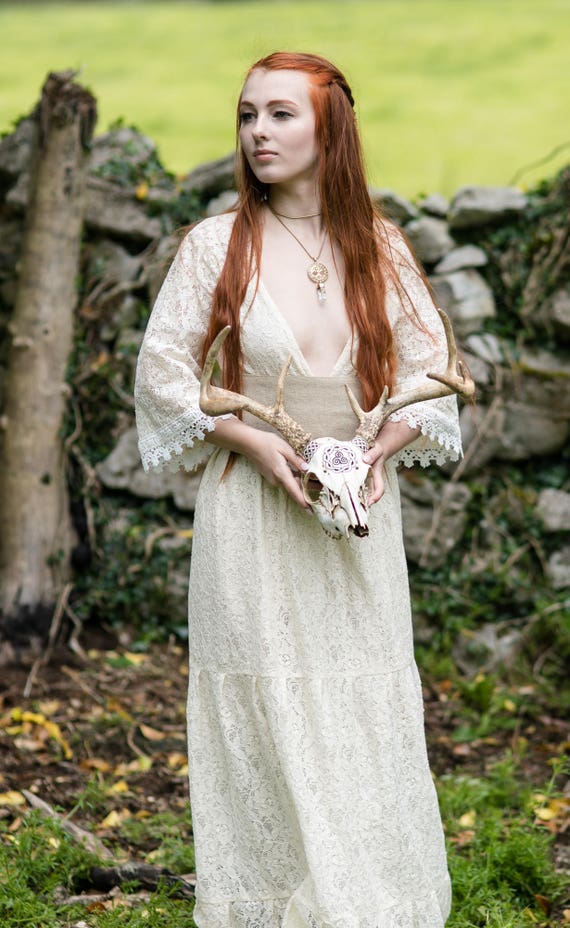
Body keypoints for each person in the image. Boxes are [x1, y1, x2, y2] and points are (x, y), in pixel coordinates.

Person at [135, 51, 462, 928]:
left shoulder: (378, 246)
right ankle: (269, 909)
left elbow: (433, 368)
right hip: (251, 508)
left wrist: (381, 450)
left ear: (330, 128)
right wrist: (254, 438)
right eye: (247, 115)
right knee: (266, 709)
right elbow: (164, 374)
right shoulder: (218, 245)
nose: (257, 133)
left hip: (353, 520)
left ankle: (368, 905)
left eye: (280, 114)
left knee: (359, 702)